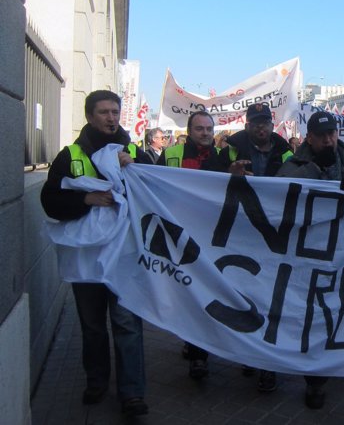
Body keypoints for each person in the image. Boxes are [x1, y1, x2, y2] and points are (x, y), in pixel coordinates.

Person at [40, 90, 150, 416]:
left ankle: (132, 392)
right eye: (103, 112)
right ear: (90, 116)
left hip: (124, 257)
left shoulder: (135, 153)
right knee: (92, 325)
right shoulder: (69, 156)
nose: (111, 118)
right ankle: (97, 382)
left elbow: (153, 199)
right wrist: (85, 199)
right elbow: (50, 201)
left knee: (127, 323)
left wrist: (132, 174)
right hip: (86, 259)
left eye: (115, 111)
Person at [276, 111, 344, 409]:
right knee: (313, 314)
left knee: (340, 308)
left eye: (332, 133)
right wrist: (318, 174)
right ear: (310, 138)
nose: (329, 139)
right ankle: (315, 380)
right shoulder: (295, 165)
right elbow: (281, 193)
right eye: (322, 136)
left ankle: (332, 363)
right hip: (310, 253)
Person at [219, 102, 293, 392]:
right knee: (244, 299)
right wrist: (228, 172)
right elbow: (208, 179)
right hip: (240, 236)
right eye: (256, 122)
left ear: (272, 126)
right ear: (247, 125)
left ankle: (267, 364)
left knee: (270, 301)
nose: (261, 127)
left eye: (265, 122)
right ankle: (248, 353)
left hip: (274, 238)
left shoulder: (287, 152)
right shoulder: (230, 150)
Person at [157, 111, 226, 380]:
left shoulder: (226, 157)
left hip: (213, 239)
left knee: (205, 295)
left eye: (209, 128)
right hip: (180, 235)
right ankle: (193, 343)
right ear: (190, 130)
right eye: (200, 128)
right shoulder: (172, 155)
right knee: (187, 294)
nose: (206, 133)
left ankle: (199, 354)